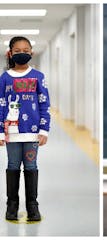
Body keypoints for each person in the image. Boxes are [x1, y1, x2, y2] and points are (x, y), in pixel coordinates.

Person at [0, 36, 51, 221]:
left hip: (32, 133)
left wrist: (44, 129)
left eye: (25, 50)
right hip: (11, 133)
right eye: (17, 51)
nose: (22, 53)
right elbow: (1, 105)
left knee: (31, 166)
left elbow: (44, 103)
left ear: (32, 52)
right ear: (10, 54)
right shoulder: (5, 78)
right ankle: (11, 205)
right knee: (12, 166)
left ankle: (32, 206)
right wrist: (0, 131)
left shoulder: (38, 77)